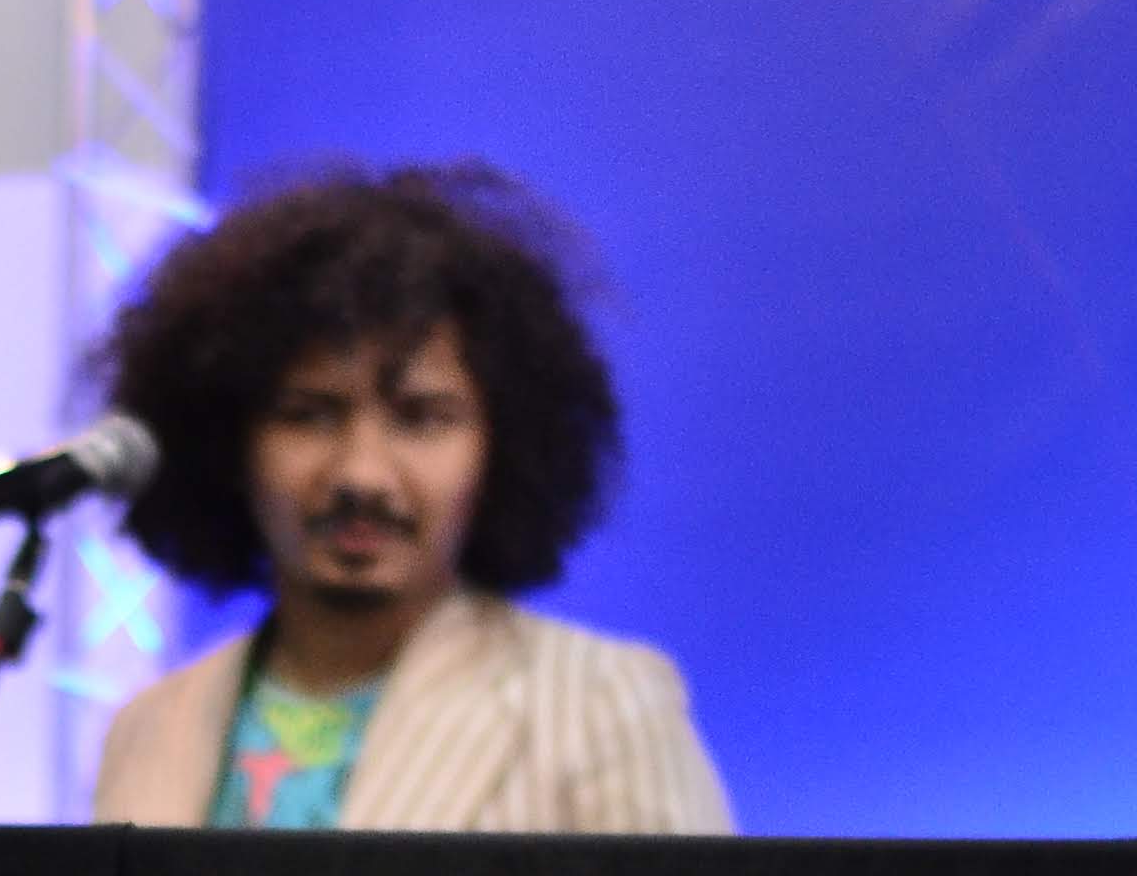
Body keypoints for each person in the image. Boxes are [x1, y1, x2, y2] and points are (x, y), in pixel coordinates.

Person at [87, 164, 731, 835]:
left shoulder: (601, 707)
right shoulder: (148, 726)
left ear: (504, 446)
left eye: (421, 418)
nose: (362, 475)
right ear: (224, 443)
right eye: (308, 415)